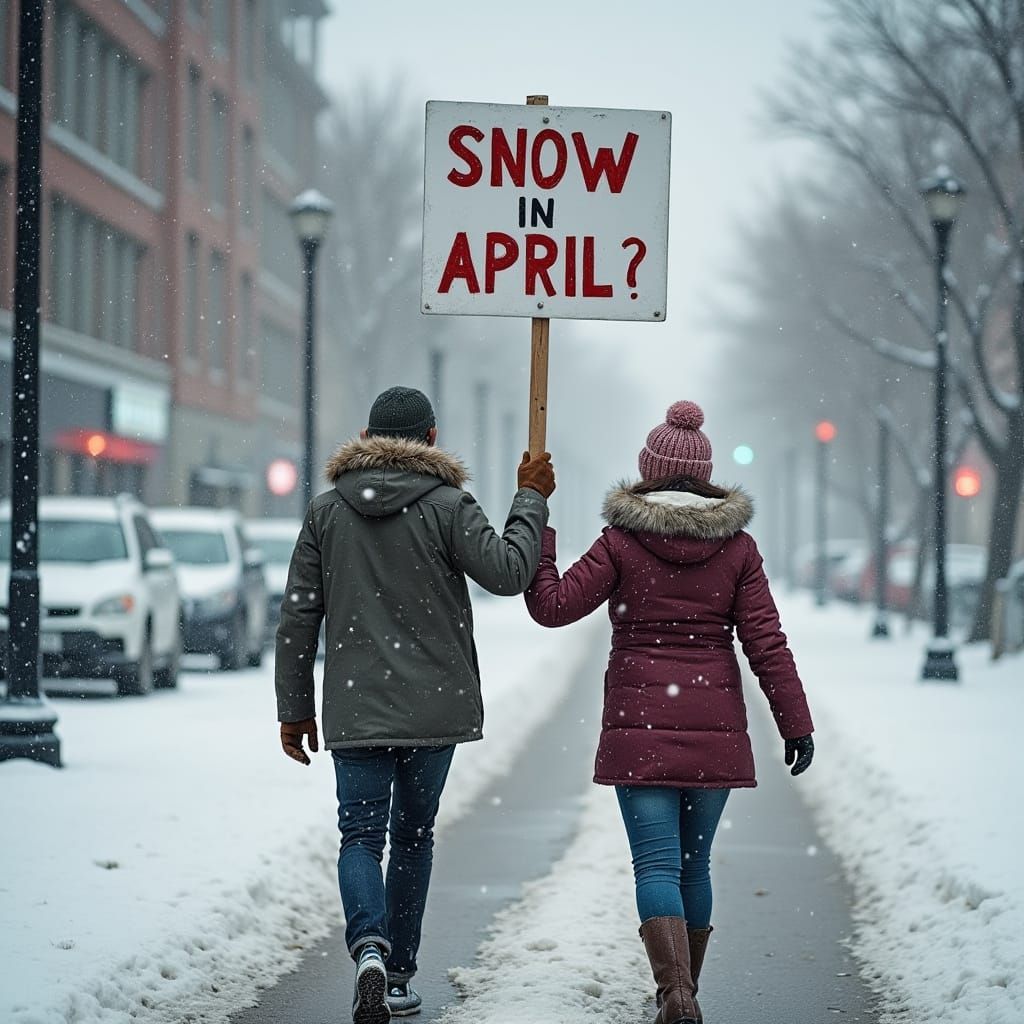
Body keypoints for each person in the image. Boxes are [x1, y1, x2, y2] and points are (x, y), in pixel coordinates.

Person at [524, 400, 814, 1024]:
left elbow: (550, 606)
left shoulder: (621, 543)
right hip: (716, 732)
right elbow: (767, 641)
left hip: (641, 730)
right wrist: (796, 722)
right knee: (693, 865)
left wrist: (539, 528)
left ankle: (674, 997)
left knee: (654, 865)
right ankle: (685, 996)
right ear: (704, 473)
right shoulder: (737, 549)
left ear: (648, 469)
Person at [275, 386, 555, 1024]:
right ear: (430, 439)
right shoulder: (450, 507)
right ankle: (398, 976)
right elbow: (510, 572)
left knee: (360, 835)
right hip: (434, 708)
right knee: (413, 837)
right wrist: (531, 497)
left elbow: (297, 618)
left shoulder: (325, 513)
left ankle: (368, 945)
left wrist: (293, 707)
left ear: (368, 437)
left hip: (355, 706)